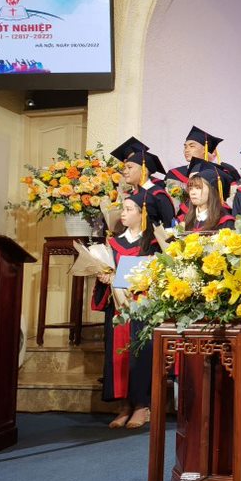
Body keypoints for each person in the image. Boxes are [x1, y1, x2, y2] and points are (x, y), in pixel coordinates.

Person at [91, 188, 162, 429]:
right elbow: (107, 269)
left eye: (129, 209)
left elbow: (158, 276)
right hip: (118, 309)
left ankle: (142, 405)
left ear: (143, 214)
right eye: (123, 208)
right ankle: (124, 405)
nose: (123, 213)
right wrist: (103, 276)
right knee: (117, 355)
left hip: (142, 307)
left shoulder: (154, 244)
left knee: (140, 355)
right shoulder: (114, 242)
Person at [109, 138, 176, 228]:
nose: (124, 172)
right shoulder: (129, 194)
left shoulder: (158, 195)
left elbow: (169, 226)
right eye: (124, 168)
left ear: (144, 170)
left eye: (129, 167)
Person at [181, 158, 236, 231]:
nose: (192, 192)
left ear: (212, 191)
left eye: (198, 188)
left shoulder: (225, 222)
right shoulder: (185, 220)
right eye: (191, 188)